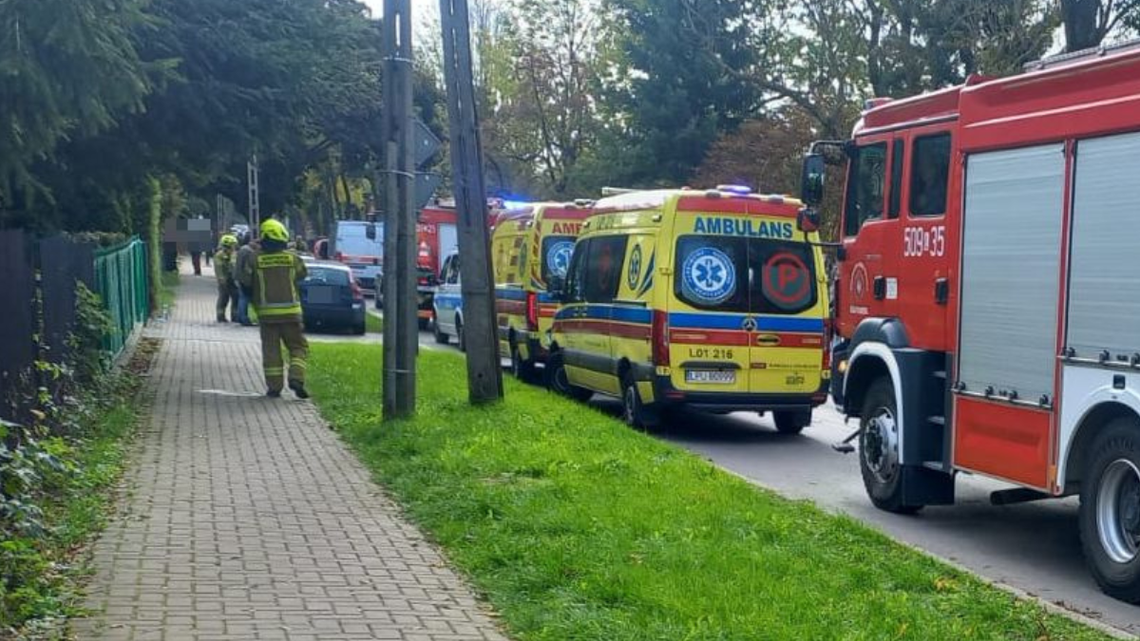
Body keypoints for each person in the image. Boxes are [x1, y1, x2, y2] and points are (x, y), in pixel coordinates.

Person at [240, 219, 310, 399]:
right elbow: (302, 274)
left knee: (271, 352)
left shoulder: (254, 259)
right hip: (291, 314)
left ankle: (274, 388)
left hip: (266, 315)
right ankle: (296, 378)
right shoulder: (293, 258)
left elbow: (244, 281)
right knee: (298, 347)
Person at [234, 233, 259, 326]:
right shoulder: (249, 252)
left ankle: (241, 317)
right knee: (245, 298)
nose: (258, 246)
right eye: (257, 243)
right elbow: (248, 267)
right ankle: (244, 318)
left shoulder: (243, 249)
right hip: (246, 279)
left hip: (240, 277)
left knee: (242, 298)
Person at [215, 234, 239, 322]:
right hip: (224, 280)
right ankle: (220, 316)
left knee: (236, 297)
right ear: (227, 246)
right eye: (233, 245)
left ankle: (235, 316)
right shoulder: (219, 256)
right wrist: (221, 280)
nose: (234, 247)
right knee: (223, 298)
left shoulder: (233, 254)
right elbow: (219, 269)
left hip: (232, 280)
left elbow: (235, 267)